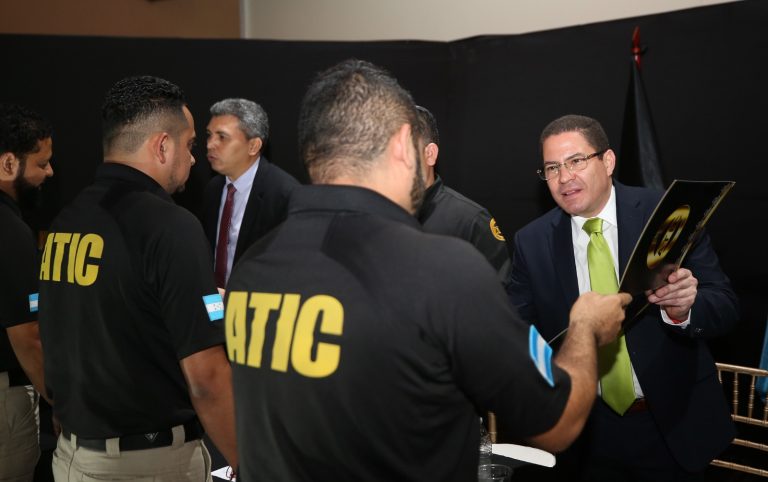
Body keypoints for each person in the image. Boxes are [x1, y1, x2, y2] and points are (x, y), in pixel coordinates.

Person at [226, 59, 631, 482]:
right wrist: (585, 328)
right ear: (406, 145)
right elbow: (557, 422)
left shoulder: (251, 268)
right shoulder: (443, 271)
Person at [505, 114, 739, 481]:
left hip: (672, 424)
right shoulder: (531, 242)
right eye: (552, 168)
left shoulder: (664, 212)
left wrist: (685, 309)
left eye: (576, 161)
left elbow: (725, 305)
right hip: (586, 434)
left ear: (608, 161)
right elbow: (518, 334)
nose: (564, 177)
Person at [38, 75, 237, 481]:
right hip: (147, 466)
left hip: (73, 458)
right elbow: (206, 379)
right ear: (162, 146)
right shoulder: (172, 227)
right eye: (190, 145)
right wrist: (249, 461)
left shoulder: (65, 222)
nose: (194, 159)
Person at [0, 103, 54, 482]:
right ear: (8, 164)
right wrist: (62, 404)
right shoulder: (10, 231)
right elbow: (27, 337)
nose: (49, 172)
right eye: (42, 163)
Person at [202, 98, 299, 289]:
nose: (210, 144)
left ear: (253, 146)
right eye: (209, 135)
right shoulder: (212, 189)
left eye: (222, 137)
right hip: (212, 302)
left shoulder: (284, 195)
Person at [415, 105, 510, 278]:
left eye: (403, 150)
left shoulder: (470, 220)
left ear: (430, 154)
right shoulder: (378, 213)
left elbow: (497, 289)